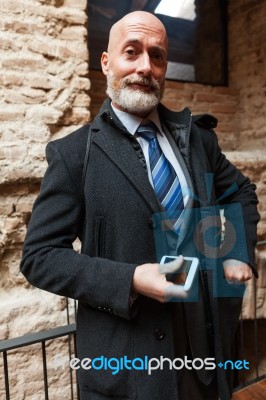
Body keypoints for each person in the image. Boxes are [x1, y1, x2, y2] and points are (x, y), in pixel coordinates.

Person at [20, 11, 260, 400]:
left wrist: (237, 252)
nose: (145, 66)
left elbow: (241, 192)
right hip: (129, 364)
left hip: (203, 349)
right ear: (106, 62)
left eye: (157, 55)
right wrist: (130, 279)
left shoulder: (197, 138)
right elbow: (39, 257)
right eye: (131, 52)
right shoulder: (73, 155)